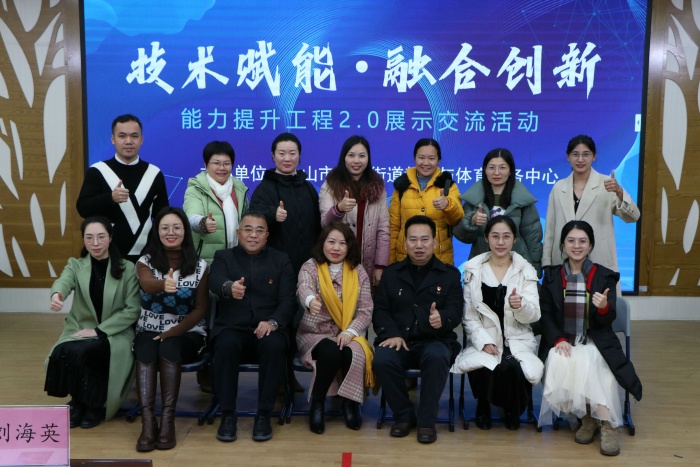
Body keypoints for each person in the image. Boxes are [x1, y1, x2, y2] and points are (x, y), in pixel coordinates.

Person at [538, 220, 642, 456]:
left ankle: (606, 423)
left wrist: (604, 307)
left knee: (592, 359)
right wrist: (558, 340)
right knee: (561, 358)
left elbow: (607, 320)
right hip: (564, 340)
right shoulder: (552, 276)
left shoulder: (604, 276)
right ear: (563, 245)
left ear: (591, 245)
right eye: (571, 241)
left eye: (582, 241)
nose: (577, 246)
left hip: (595, 339)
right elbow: (546, 316)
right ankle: (588, 418)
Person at [372, 215, 463, 444]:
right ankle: (403, 416)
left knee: (437, 356)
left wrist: (443, 318)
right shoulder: (392, 273)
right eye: (413, 240)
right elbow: (380, 310)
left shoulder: (450, 275)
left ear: (435, 242)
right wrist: (392, 334)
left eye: (424, 239)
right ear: (405, 243)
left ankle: (426, 422)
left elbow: (456, 310)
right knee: (382, 358)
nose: (419, 245)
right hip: (399, 340)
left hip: (434, 340)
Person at [208, 212, 297, 442]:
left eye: (259, 230)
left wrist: (273, 322)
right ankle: (227, 415)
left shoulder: (281, 260)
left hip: (269, 328)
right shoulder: (223, 257)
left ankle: (264, 415)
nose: (253, 235)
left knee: (274, 346)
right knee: (225, 345)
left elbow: (288, 301)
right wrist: (228, 287)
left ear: (267, 236)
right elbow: (215, 280)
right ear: (238, 233)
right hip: (232, 327)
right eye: (248, 229)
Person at [44, 217, 140, 428]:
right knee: (64, 350)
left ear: (110, 238)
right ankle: (79, 401)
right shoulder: (76, 265)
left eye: (101, 237)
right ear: (83, 240)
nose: (95, 243)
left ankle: (93, 404)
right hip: (80, 328)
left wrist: (99, 330)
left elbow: (132, 310)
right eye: (89, 238)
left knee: (90, 351)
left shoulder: (127, 268)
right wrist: (57, 294)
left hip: (115, 331)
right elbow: (63, 281)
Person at [451, 216, 543, 430]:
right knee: (484, 362)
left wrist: (521, 306)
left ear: (514, 239)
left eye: (506, 237)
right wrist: (483, 341)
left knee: (513, 367)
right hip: (485, 337)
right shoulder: (474, 270)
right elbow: (469, 317)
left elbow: (534, 316)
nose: (500, 242)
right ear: (486, 238)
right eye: (495, 236)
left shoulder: (526, 271)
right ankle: (483, 405)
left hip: (517, 337)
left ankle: (513, 408)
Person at [133, 207, 208, 451]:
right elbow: (147, 284)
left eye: (176, 227)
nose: (171, 232)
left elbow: (200, 309)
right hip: (148, 330)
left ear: (185, 231)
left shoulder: (200, 266)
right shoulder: (144, 262)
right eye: (165, 228)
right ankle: (147, 423)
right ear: (157, 232)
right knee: (146, 350)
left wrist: (172, 332)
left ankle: (167, 421)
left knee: (169, 347)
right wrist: (163, 284)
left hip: (188, 333)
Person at [296, 222, 374, 434]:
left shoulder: (358, 272)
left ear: (349, 247)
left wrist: (349, 332)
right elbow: (304, 287)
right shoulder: (310, 266)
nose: (336, 248)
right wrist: (310, 300)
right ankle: (317, 403)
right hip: (314, 333)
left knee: (351, 352)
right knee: (331, 351)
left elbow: (365, 311)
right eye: (331, 242)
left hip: (349, 332)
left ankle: (350, 404)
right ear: (323, 243)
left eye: (342, 243)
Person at [542, 135, 640, 276]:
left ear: (594, 156)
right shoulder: (559, 187)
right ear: (568, 157)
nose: (580, 159)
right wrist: (547, 261)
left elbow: (633, 216)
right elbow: (550, 230)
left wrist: (619, 191)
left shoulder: (607, 184)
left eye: (586, 154)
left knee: (598, 290)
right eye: (575, 154)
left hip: (598, 259)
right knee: (564, 290)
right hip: (563, 260)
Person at [76, 114, 169, 262]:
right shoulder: (97, 171)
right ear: (113, 139)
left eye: (134, 136)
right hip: (106, 254)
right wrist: (110, 198)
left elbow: (162, 216)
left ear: (141, 140)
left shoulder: (154, 173)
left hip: (146, 256)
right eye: (122, 136)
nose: (128, 141)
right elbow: (83, 208)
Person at [453, 148, 543, 275]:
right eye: (491, 168)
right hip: (481, 266)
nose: (496, 172)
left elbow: (533, 239)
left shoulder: (522, 201)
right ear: (485, 170)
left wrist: (535, 271)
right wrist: (472, 222)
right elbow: (462, 236)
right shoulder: (474, 199)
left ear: (510, 171)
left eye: (502, 168)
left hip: (516, 268)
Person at [319, 135, 390, 288]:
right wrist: (339, 209)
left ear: (368, 158)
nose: (356, 161)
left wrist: (380, 265)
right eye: (351, 155)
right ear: (344, 158)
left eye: (362, 156)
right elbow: (325, 224)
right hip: (338, 261)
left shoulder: (377, 186)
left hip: (369, 261)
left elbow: (384, 230)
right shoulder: (331, 184)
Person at [249, 132, 321, 276]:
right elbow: (253, 219)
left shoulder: (308, 188)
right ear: (273, 155)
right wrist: (272, 215)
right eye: (281, 153)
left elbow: (318, 225)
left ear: (299, 155)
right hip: (275, 267)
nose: (287, 158)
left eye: (292, 153)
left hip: (309, 266)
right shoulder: (264, 188)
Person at [389, 138, 463, 265]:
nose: (426, 163)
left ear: (439, 160)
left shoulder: (448, 186)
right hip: (405, 258)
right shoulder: (402, 186)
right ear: (415, 158)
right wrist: (391, 263)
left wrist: (447, 205)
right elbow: (393, 227)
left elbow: (457, 219)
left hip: (439, 259)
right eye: (421, 157)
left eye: (431, 158)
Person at [184, 141, 249, 265]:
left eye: (226, 163)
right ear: (206, 164)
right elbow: (192, 218)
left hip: (238, 260)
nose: (222, 168)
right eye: (216, 163)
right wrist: (203, 223)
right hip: (206, 262)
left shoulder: (240, 189)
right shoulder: (196, 189)